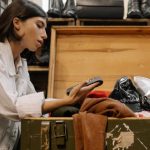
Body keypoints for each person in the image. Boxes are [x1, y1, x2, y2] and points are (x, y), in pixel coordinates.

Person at [0, 0, 99, 149]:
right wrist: (67, 101)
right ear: (17, 23)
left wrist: (72, 97)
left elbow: (33, 104)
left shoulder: (20, 64)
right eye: (39, 25)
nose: (45, 35)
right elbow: (14, 107)